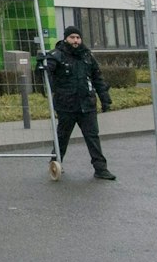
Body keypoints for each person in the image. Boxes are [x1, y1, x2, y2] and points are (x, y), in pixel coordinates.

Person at [42, 26, 115, 180]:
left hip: (87, 104)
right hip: (66, 105)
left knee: (92, 137)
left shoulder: (87, 56)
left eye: (78, 38)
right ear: (66, 38)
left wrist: (104, 98)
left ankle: (101, 169)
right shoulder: (57, 55)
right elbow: (47, 75)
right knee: (62, 137)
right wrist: (42, 66)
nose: (75, 41)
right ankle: (55, 163)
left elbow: (97, 79)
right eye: (72, 37)